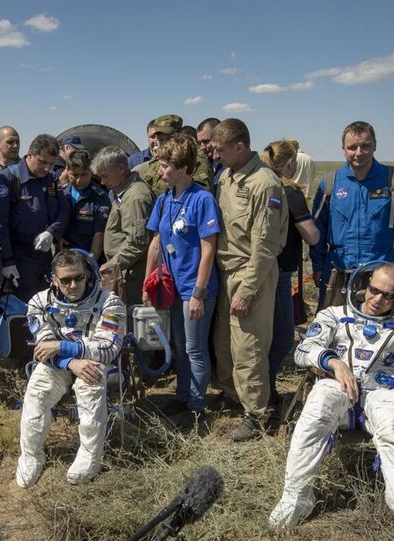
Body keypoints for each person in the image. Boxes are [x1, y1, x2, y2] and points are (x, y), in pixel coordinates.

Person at [269, 263, 394, 541]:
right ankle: (297, 496)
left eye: (388, 295)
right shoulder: (335, 316)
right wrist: (333, 362)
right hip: (339, 388)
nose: (377, 299)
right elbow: (304, 351)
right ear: (364, 284)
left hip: (384, 394)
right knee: (318, 406)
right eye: (374, 290)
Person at [16, 249, 126, 488]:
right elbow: (43, 348)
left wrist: (61, 346)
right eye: (65, 280)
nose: (73, 285)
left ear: (88, 274)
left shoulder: (109, 302)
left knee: (90, 384)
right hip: (62, 363)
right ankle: (31, 455)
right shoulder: (39, 303)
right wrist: (70, 361)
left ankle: (90, 455)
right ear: (54, 280)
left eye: (79, 277)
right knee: (38, 390)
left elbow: (108, 348)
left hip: (94, 362)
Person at [211, 118, 290, 441]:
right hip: (226, 271)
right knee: (225, 345)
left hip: (250, 274)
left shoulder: (264, 183)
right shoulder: (227, 177)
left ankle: (257, 415)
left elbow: (266, 246)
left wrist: (247, 289)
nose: (215, 156)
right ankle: (233, 397)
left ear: (240, 147)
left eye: (220, 150)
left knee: (250, 348)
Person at [143, 135, 221, 420]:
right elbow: (155, 242)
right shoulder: (164, 201)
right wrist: (148, 281)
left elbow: (208, 247)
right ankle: (183, 395)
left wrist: (199, 293)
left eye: (165, 166)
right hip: (171, 287)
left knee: (195, 348)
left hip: (194, 287)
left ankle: (198, 406)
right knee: (179, 347)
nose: (159, 171)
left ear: (183, 167)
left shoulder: (202, 200)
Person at [309, 121, 394, 310]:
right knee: (332, 327)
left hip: (379, 275)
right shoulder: (330, 184)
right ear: (343, 149)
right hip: (337, 271)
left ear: (375, 145)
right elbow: (317, 228)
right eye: (352, 147)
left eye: (365, 146)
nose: (359, 152)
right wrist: (318, 264)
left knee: (377, 331)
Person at [258, 140, 320, 408]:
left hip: (257, 270)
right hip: (280, 272)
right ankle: (268, 392)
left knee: (263, 335)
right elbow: (312, 236)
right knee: (283, 338)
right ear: (290, 163)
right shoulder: (289, 192)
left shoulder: (258, 185)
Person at [0, 134, 70, 300]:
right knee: (25, 310)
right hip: (20, 257)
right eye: (42, 162)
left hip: (45, 255)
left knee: (47, 305)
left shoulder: (50, 180)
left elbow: (63, 210)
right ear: (30, 154)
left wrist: (51, 232)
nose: (47, 168)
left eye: (51, 164)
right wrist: (8, 260)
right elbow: (0, 223)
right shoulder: (8, 179)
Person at [92, 146, 155, 308]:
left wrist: (112, 264)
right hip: (124, 272)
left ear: (121, 168)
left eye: (105, 176)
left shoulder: (135, 197)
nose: (103, 182)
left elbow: (137, 242)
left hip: (132, 277)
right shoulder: (124, 193)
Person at [136, 115, 215, 195]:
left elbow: (199, 197)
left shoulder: (195, 160)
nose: (162, 143)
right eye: (160, 139)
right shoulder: (156, 162)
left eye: (166, 139)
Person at [62, 149, 109, 260]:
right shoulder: (60, 194)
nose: (79, 180)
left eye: (83, 175)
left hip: (87, 256)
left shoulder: (101, 198)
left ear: (91, 172)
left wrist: (90, 262)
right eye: (74, 175)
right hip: (63, 256)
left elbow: (99, 235)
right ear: (67, 171)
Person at [196, 117, 223, 182]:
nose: (202, 147)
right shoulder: (200, 164)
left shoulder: (232, 166)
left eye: (206, 141)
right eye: (199, 143)